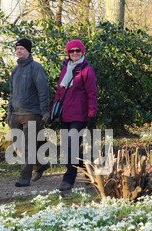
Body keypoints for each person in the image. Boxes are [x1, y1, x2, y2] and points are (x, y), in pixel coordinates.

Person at [53, 39, 98, 191]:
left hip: (79, 115)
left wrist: (92, 114)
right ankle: (88, 167)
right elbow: (59, 92)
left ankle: (68, 180)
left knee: (72, 146)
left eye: (78, 50)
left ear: (82, 52)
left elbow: (92, 94)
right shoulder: (65, 69)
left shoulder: (87, 70)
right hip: (65, 115)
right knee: (66, 148)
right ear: (68, 53)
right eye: (72, 51)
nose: (75, 53)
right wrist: (54, 110)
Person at [7, 38, 51, 187]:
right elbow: (11, 93)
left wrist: (45, 110)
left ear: (28, 51)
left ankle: (24, 177)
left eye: (22, 49)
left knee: (28, 146)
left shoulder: (36, 67)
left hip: (32, 113)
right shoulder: (15, 70)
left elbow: (43, 90)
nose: (19, 51)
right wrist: (9, 112)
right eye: (17, 48)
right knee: (18, 145)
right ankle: (40, 164)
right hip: (15, 114)